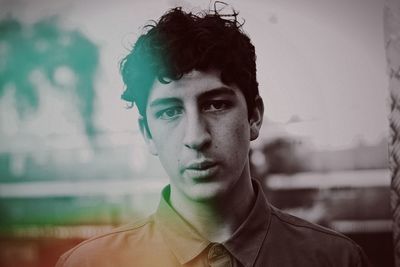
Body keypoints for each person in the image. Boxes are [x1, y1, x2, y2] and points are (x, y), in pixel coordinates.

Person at [56, 4, 371, 267]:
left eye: (216, 105)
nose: (195, 137)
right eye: (169, 112)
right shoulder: (89, 263)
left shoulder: (336, 259)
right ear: (147, 134)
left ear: (254, 117)